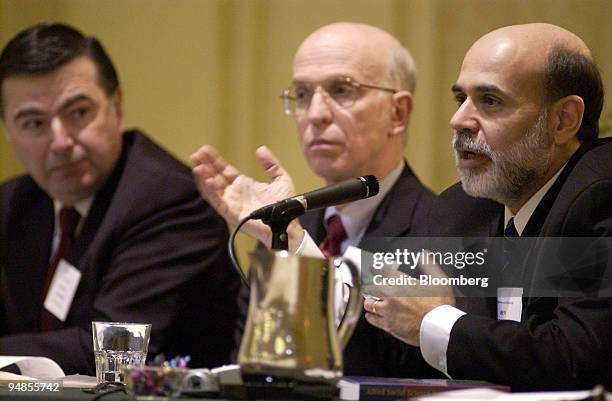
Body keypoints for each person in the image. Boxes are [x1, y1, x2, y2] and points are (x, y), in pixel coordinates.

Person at [361, 23, 612, 390]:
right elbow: (398, 349)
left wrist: (435, 321)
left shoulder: (598, 194)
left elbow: (575, 358)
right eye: (460, 98)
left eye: (490, 101)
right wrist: (298, 250)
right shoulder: (461, 209)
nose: (459, 120)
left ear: (564, 120)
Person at [191, 22, 437, 377]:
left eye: (341, 90)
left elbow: (377, 369)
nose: (316, 114)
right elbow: (251, 371)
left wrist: (296, 246)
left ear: (397, 113)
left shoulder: (437, 228)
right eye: (302, 94)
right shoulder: (282, 231)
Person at [0, 22, 241, 375]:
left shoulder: (173, 201)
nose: (61, 142)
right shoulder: (13, 204)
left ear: (117, 105)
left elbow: (116, 351)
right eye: (34, 123)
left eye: (79, 113)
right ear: (7, 131)